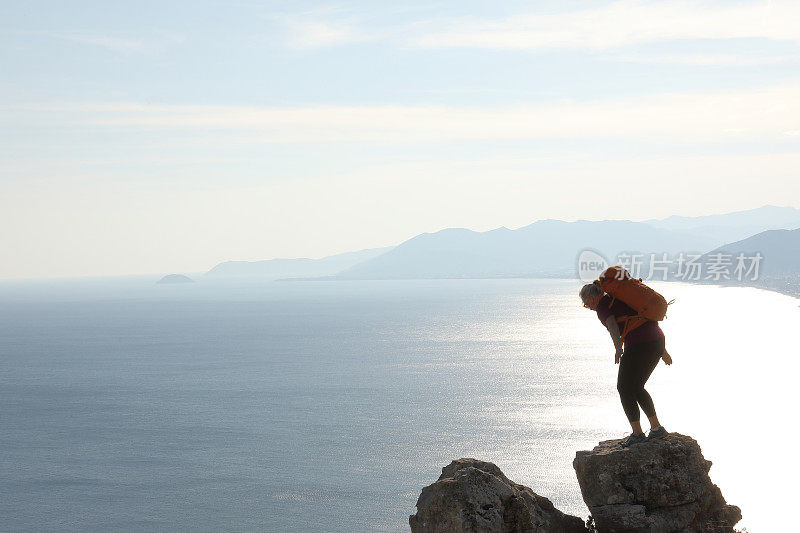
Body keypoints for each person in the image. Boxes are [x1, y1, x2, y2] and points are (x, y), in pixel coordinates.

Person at [580, 281, 672, 447]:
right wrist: (663, 351)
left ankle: (637, 434)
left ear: (592, 297)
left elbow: (613, 325)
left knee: (624, 388)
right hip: (657, 340)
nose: (588, 306)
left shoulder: (603, 304)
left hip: (640, 344)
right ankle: (656, 428)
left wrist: (618, 348)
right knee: (637, 387)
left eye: (586, 303)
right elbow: (647, 319)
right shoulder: (620, 300)